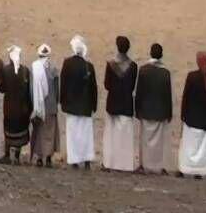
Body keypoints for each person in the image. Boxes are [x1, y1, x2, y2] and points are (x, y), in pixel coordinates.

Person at [178, 51, 206, 178]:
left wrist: (183, 114)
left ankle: (184, 169)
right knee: (202, 150)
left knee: (187, 147)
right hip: (205, 122)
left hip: (191, 120)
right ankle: (199, 171)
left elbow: (186, 97)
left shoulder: (192, 77)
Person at [60, 35, 98, 169]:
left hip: (71, 106)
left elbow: (63, 84)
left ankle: (74, 160)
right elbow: (94, 88)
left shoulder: (67, 63)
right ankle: (86, 160)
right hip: (86, 106)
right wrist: (94, 105)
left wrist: (62, 102)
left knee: (73, 134)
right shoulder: (89, 66)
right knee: (86, 134)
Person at [135, 43, 173, 174]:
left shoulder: (143, 70)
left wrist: (137, 109)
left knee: (144, 140)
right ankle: (157, 166)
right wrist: (169, 113)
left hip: (145, 110)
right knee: (159, 142)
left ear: (150, 53)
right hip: (160, 111)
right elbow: (168, 95)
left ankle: (144, 164)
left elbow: (139, 92)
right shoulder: (165, 73)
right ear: (161, 55)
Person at [102, 36, 138, 172]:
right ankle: (125, 164)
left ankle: (109, 162)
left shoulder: (111, 65)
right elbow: (132, 86)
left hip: (113, 103)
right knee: (125, 136)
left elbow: (106, 85)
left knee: (111, 136)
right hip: (126, 104)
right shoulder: (133, 66)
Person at [0, 45, 32, 164]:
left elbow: (2, 89)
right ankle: (17, 156)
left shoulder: (5, 70)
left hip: (9, 107)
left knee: (8, 129)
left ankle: (7, 154)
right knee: (20, 130)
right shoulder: (25, 71)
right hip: (22, 108)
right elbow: (28, 91)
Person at [30, 44, 60, 167]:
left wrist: (32, 104)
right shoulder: (53, 68)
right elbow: (57, 89)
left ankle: (39, 157)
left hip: (38, 105)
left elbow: (31, 89)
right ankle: (48, 158)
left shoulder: (34, 68)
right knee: (50, 132)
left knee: (39, 131)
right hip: (51, 105)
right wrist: (56, 102)